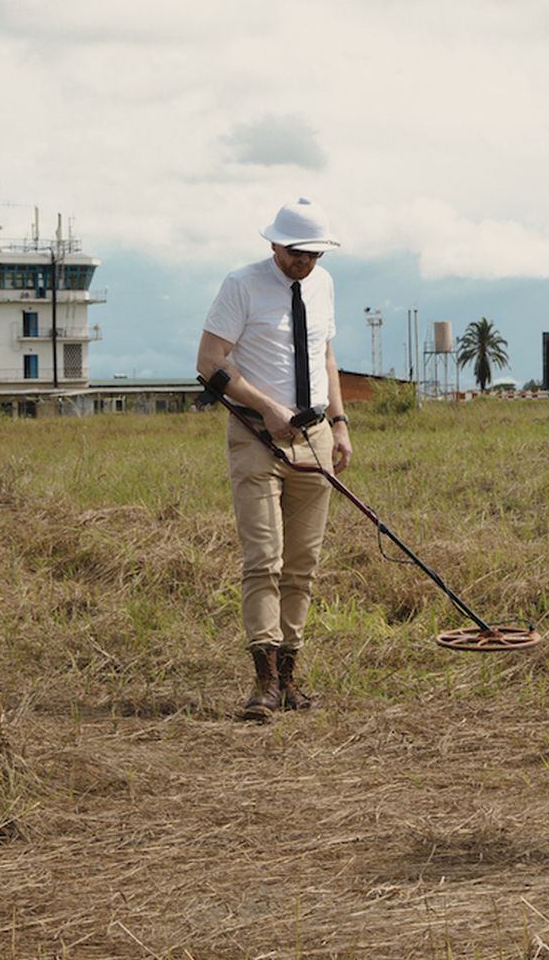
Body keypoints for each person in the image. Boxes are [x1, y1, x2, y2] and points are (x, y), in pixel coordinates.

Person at [197, 197, 352, 721]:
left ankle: (289, 677)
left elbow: (326, 356)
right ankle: (262, 682)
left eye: (314, 254)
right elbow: (209, 361)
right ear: (275, 244)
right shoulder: (242, 285)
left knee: (302, 564)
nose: (304, 263)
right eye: (296, 253)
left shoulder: (324, 285)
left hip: (315, 438)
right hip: (256, 435)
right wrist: (267, 407)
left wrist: (339, 423)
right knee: (264, 559)